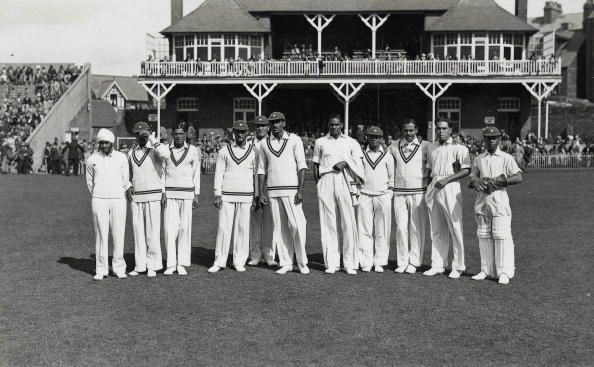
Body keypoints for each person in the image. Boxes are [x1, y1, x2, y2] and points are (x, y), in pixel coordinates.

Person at [468, 126, 522, 285]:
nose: (491, 141)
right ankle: (486, 269)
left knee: (501, 235)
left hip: (499, 202)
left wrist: (501, 181)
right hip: (482, 202)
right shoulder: (478, 159)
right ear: (483, 139)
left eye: (494, 138)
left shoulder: (506, 158)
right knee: (483, 235)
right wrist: (475, 181)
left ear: (499, 139)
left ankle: (505, 271)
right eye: (488, 138)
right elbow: (471, 178)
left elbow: (518, 177)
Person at [258, 112, 309, 275]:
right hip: (273, 191)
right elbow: (261, 169)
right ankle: (286, 262)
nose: (275, 125)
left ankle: (302, 262)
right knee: (280, 229)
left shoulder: (294, 140)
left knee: (297, 225)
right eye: (272, 122)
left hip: (292, 190)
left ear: (284, 123)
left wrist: (300, 190)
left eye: (278, 122)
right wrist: (261, 192)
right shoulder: (264, 144)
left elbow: (302, 166)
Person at [312, 113, 364, 275]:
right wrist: (319, 183)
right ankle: (331, 263)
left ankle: (350, 263)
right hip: (326, 180)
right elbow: (315, 165)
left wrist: (346, 162)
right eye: (331, 125)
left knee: (348, 222)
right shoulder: (320, 142)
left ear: (342, 125)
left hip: (345, 181)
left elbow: (359, 164)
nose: (333, 127)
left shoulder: (351, 142)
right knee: (328, 223)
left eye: (336, 124)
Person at [423, 119, 471, 279]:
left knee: (455, 228)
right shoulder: (431, 147)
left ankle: (458, 266)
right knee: (436, 228)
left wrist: (447, 180)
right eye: (438, 128)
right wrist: (428, 189)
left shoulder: (459, 148)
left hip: (450, 187)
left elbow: (466, 170)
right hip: (435, 186)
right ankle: (438, 264)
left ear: (451, 130)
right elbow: (429, 170)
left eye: (444, 128)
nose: (441, 131)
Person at [209, 121, 257, 273]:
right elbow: (219, 174)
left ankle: (239, 260)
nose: (240, 134)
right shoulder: (224, 151)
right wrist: (217, 194)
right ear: (233, 133)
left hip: (246, 195)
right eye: (237, 131)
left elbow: (256, 175)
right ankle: (219, 261)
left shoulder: (254, 151)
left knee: (242, 229)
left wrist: (256, 196)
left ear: (247, 133)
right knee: (224, 228)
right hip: (227, 195)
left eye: (243, 131)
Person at [126, 121, 170, 278]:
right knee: (138, 232)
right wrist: (128, 186)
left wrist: (152, 138)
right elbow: (129, 174)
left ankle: (153, 265)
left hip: (153, 196)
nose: (140, 136)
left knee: (152, 232)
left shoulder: (155, 150)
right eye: (138, 134)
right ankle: (140, 265)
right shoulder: (131, 153)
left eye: (143, 133)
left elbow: (166, 154)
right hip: (137, 197)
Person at [85, 128, 130, 280]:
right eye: (101, 143)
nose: (103, 145)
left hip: (118, 199)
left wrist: (118, 193)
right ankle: (101, 269)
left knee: (118, 235)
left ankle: (118, 268)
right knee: (101, 235)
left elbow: (126, 180)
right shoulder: (92, 159)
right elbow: (89, 182)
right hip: (98, 200)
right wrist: (98, 194)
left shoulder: (122, 158)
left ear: (112, 143)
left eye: (106, 143)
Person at [389, 119, 430, 274]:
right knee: (400, 228)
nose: (408, 133)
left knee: (416, 228)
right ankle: (402, 261)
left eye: (411, 130)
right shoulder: (393, 146)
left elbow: (432, 165)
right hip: (399, 192)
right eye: (406, 130)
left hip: (419, 192)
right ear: (402, 130)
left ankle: (414, 262)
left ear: (417, 130)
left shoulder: (425, 146)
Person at [162, 122, 201, 276]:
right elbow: (162, 173)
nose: (178, 136)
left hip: (187, 194)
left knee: (184, 229)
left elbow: (196, 172)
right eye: (176, 133)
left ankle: (181, 263)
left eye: (181, 134)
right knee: (169, 230)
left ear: (186, 135)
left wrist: (196, 194)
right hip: (170, 195)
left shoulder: (192, 150)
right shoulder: (166, 150)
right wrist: (163, 192)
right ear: (172, 135)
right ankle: (171, 264)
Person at [357, 126, 394, 273]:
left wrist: (389, 193)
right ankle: (366, 261)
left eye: (377, 137)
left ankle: (380, 261)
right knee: (364, 230)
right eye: (371, 137)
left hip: (382, 196)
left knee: (382, 230)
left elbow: (392, 178)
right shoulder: (360, 155)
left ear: (381, 138)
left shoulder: (387, 156)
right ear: (366, 137)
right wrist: (359, 193)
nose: (374, 139)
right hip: (364, 195)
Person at [248, 115, 278, 267]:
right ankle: (255, 255)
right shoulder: (248, 143)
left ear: (268, 127)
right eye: (257, 126)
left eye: (263, 126)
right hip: (251, 184)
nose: (260, 128)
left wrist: (263, 190)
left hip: (268, 184)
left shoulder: (273, 143)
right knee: (254, 222)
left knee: (269, 222)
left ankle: (269, 255)